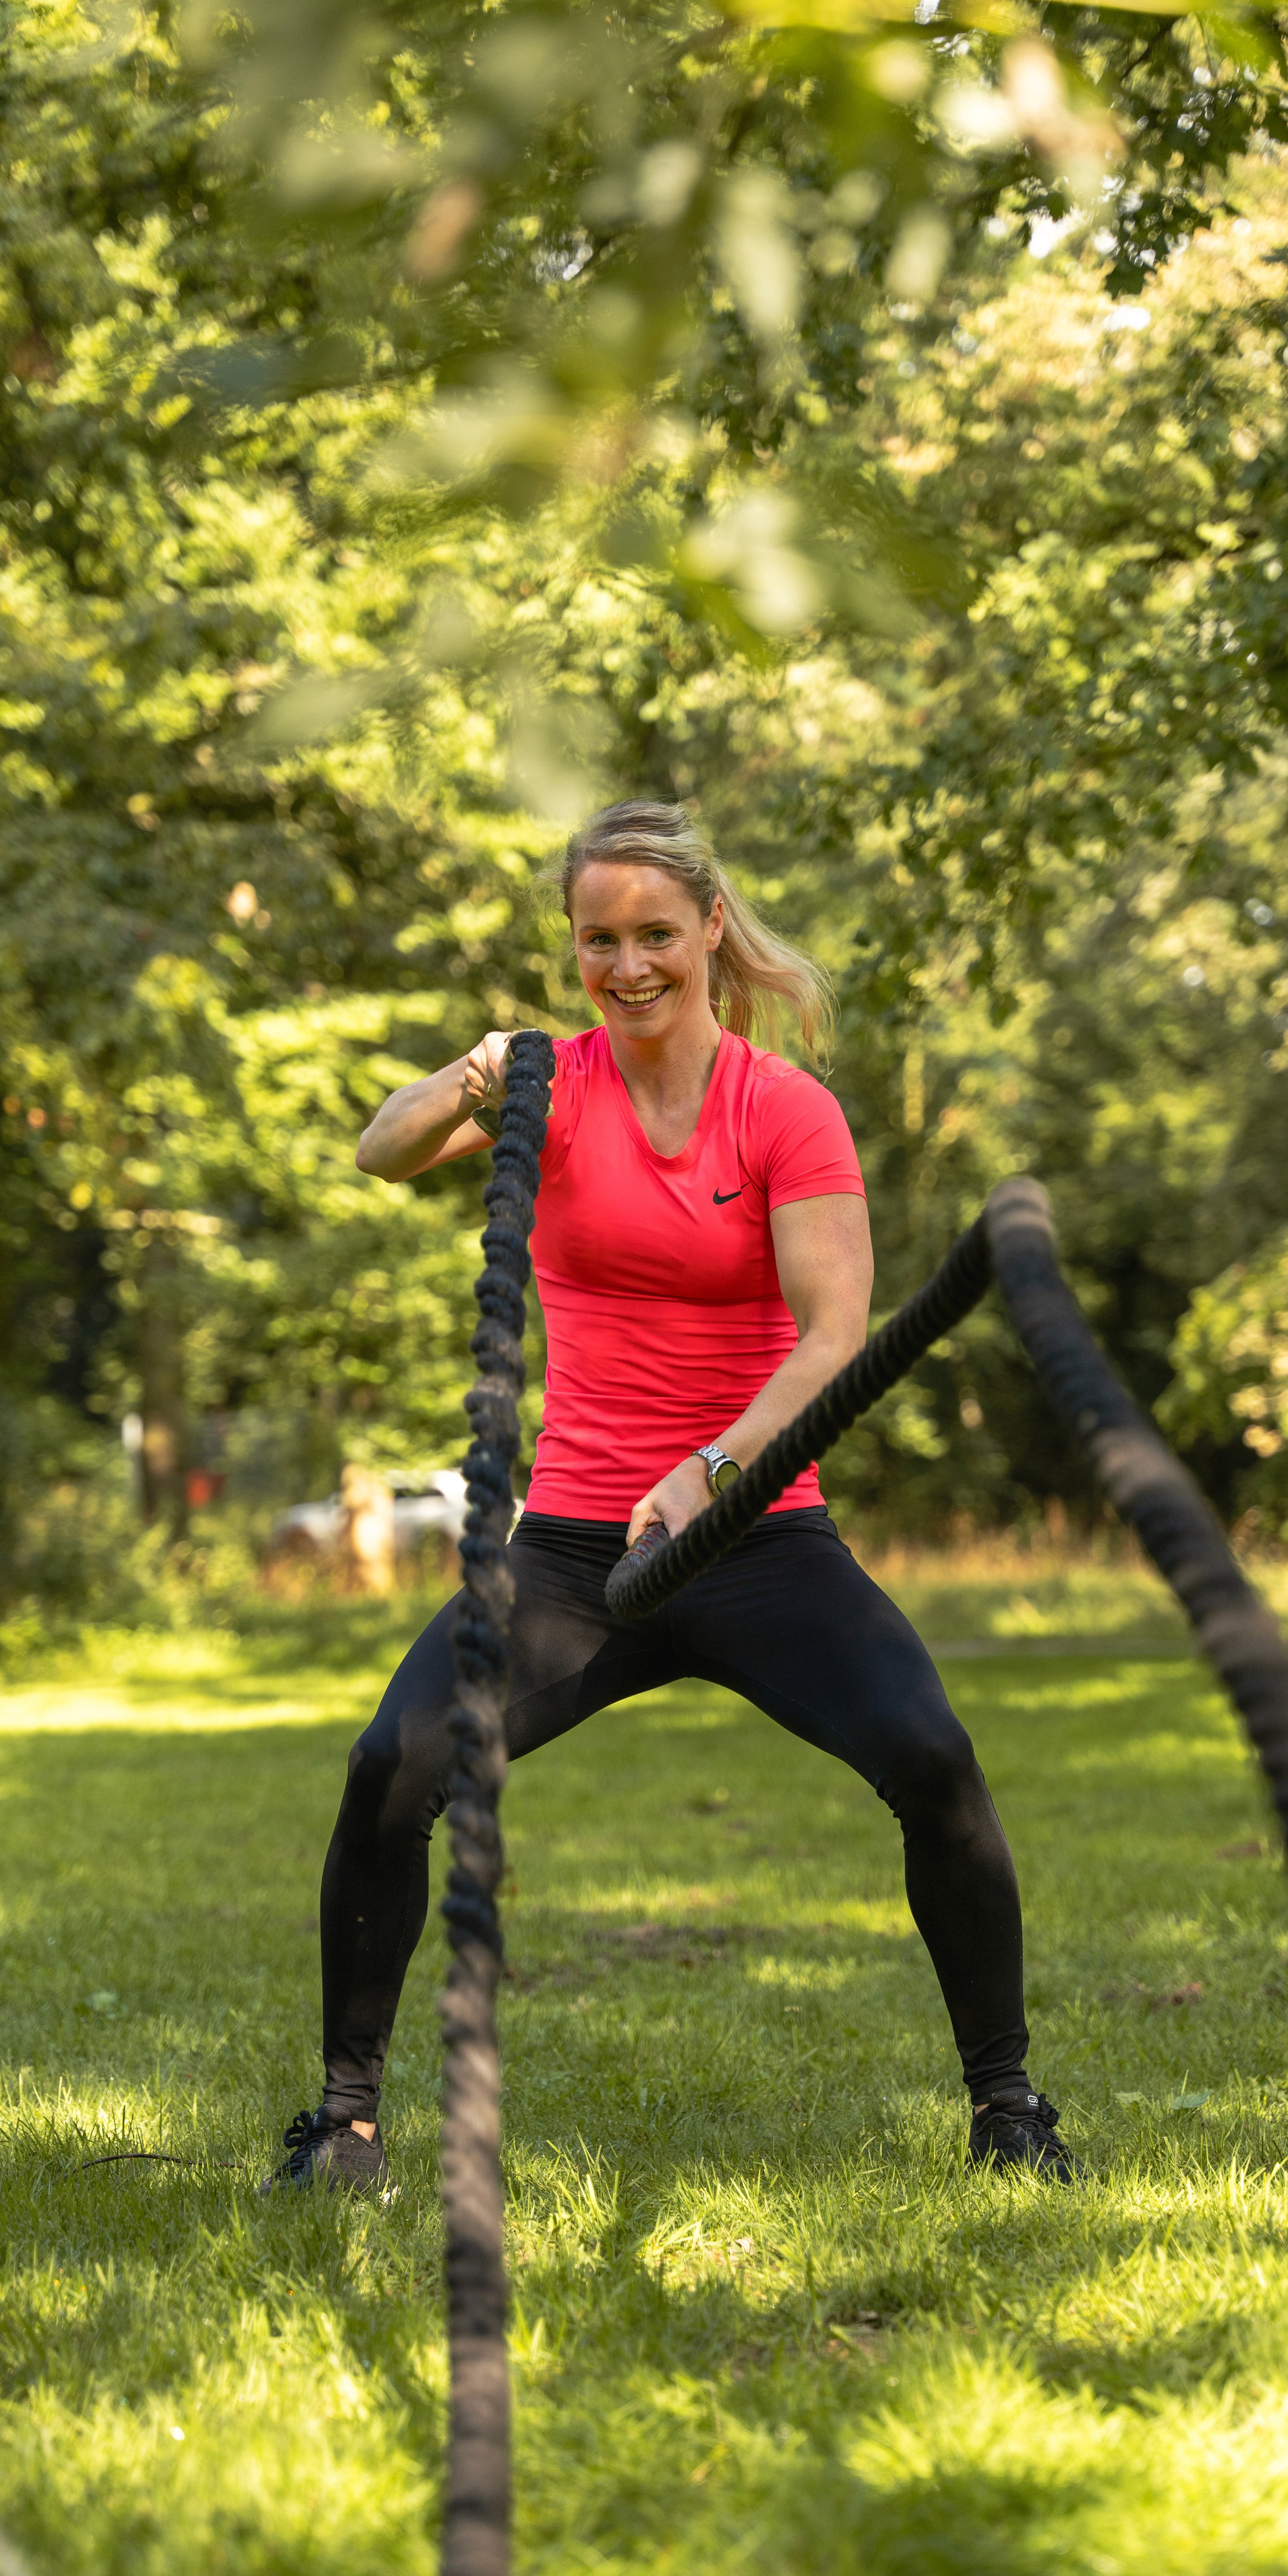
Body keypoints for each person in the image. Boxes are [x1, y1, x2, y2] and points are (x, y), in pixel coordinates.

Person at [267, 801, 1072, 2191]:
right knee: (390, 1774)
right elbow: (378, 1152)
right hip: (578, 1551)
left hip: (759, 1535)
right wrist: (472, 1078)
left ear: (711, 927)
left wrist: (710, 1470)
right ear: (573, 946)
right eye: (598, 939)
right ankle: (344, 2124)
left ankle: (1009, 2110)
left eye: (654, 933)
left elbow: (833, 1333)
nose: (627, 964)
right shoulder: (551, 1084)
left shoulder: (783, 1107)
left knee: (934, 1762)